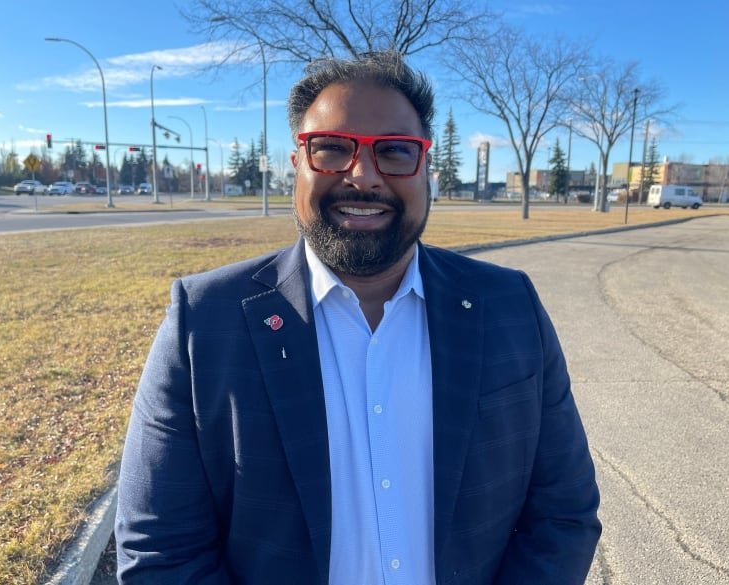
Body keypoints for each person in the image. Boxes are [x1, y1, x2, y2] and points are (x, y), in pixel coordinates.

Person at [115, 51, 601, 584]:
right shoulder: (204, 324)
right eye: (330, 149)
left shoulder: (510, 307)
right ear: (296, 165)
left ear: (427, 170)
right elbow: (160, 551)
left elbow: (564, 513)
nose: (363, 176)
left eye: (394, 150)